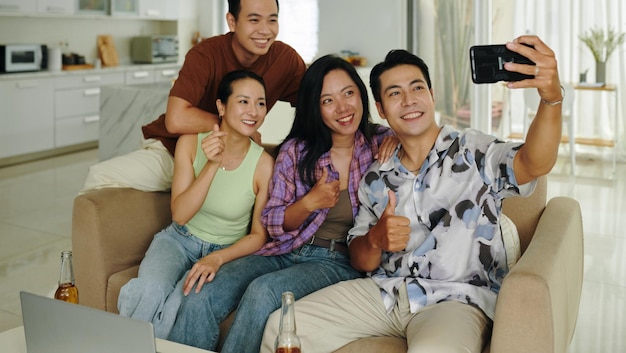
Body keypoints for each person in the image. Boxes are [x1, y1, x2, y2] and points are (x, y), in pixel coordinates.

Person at [261, 35, 564, 353]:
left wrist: (551, 99)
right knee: (283, 326)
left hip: (455, 299)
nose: (408, 100)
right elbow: (362, 260)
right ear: (380, 108)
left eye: (417, 88)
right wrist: (376, 239)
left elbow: (535, 162)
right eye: (395, 93)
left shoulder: (473, 151)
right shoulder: (376, 175)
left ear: (431, 95)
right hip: (384, 294)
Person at [167, 55, 397, 352]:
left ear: (361, 95)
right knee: (201, 289)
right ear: (315, 107)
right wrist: (309, 203)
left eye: (349, 93)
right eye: (327, 100)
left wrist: (394, 136)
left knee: (264, 292)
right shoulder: (296, 151)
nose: (343, 108)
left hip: (335, 260)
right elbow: (273, 221)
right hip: (284, 249)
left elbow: (414, 136)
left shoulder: (379, 143)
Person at [81, 0, 306, 193]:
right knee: (98, 175)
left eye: (272, 20)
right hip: (177, 151)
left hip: (235, 155)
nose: (265, 30)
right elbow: (176, 119)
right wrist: (235, 126)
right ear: (232, 21)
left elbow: (313, 102)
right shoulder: (205, 54)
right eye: (254, 20)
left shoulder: (285, 59)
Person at [117, 70, 274, 339]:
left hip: (224, 251)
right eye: (243, 101)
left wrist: (216, 258)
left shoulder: (263, 164)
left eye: (260, 103)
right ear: (221, 107)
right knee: (150, 291)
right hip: (178, 241)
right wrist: (212, 164)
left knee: (182, 303)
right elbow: (180, 214)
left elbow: (259, 236)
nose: (254, 111)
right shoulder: (190, 143)